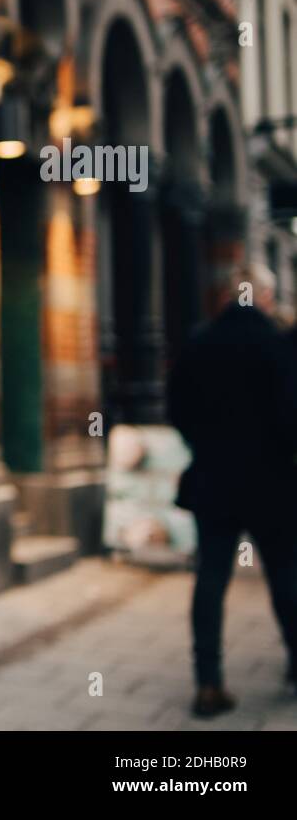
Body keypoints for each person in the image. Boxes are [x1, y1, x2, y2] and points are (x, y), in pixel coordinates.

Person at [167, 265, 297, 718]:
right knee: (284, 573)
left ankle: (208, 682)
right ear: (262, 294)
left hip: (214, 481)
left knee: (210, 579)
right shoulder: (278, 345)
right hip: (273, 483)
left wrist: (205, 443)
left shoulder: (199, 342)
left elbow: (177, 409)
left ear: (224, 295)